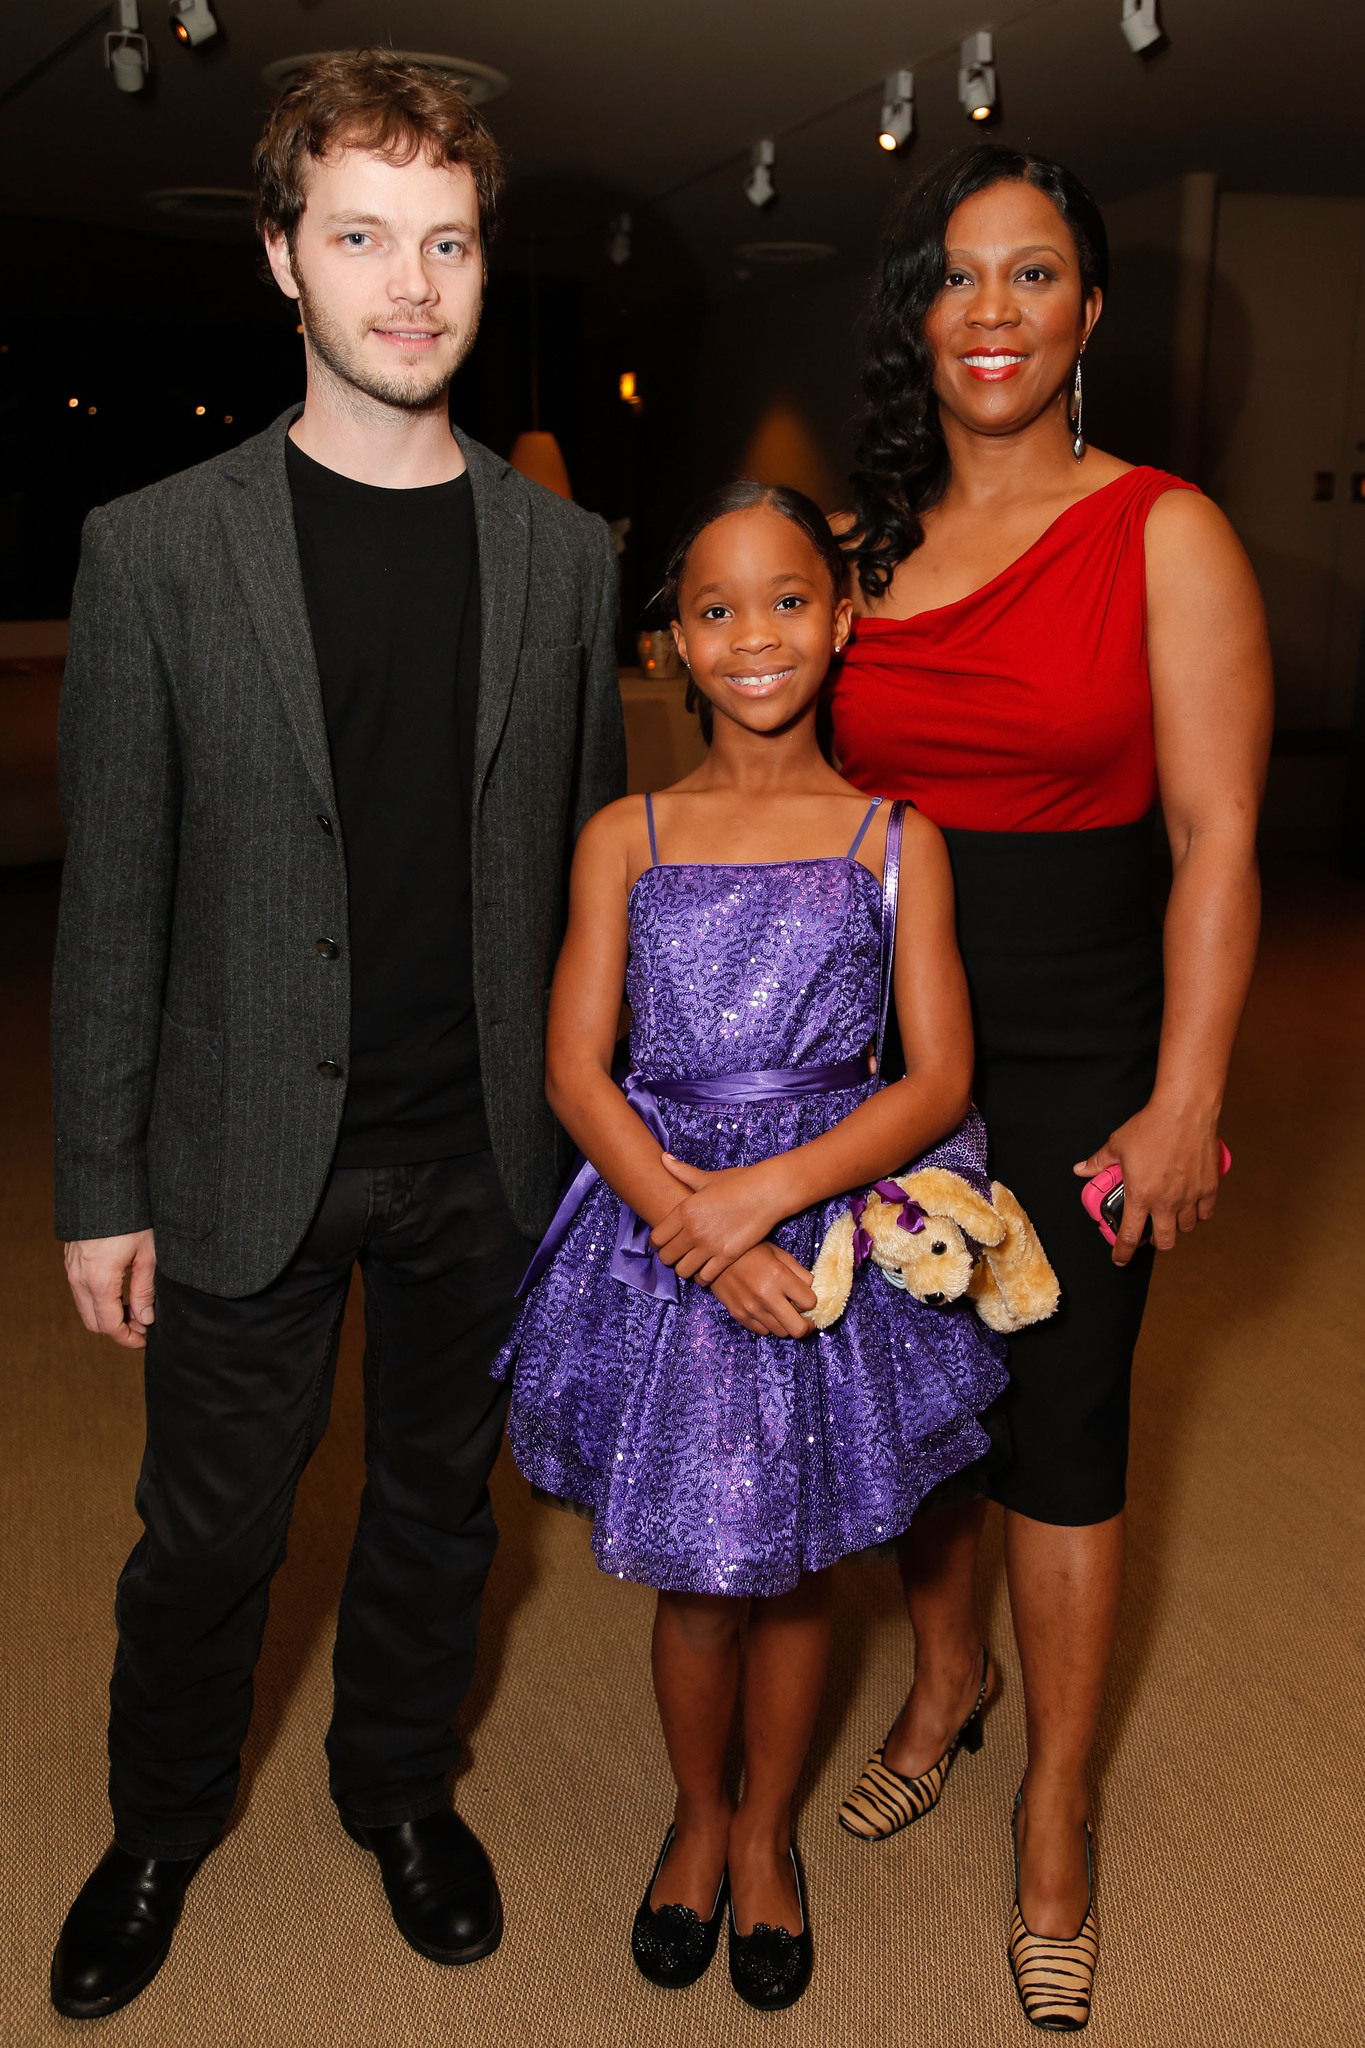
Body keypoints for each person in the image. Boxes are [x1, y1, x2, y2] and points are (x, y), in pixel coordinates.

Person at [48, 49, 625, 2022]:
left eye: (445, 239)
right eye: (360, 235)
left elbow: (589, 886)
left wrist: (610, 1153)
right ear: (282, 259)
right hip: (237, 1143)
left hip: (482, 1146)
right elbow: (111, 894)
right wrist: (97, 1183)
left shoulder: (564, 559)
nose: (407, 282)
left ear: (480, 262)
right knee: (205, 1531)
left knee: (435, 1512)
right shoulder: (155, 549)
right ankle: (156, 1816)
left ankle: (395, 1783)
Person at [828, 144, 1272, 2030]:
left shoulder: (1163, 528)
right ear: (917, 317)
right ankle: (944, 1683)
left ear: (1088, 312)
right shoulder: (862, 556)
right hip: (892, 1053)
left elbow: (1220, 833)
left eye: (1032, 275)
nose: (990, 310)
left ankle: (1057, 1815)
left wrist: (1183, 1101)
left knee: (1064, 1421)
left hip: (1092, 1051)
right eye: (954, 276)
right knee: (920, 1401)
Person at [493, 482, 1014, 2013]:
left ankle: (769, 1832)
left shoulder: (893, 837)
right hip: (664, 1233)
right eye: (714, 609)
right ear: (671, 642)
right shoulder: (625, 834)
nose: (754, 636)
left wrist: (765, 1198)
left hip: (826, 1233)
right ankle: (697, 1816)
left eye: (787, 599)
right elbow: (573, 1068)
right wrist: (692, 1222)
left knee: (794, 1564)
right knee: (698, 1571)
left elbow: (933, 1078)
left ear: (842, 617)